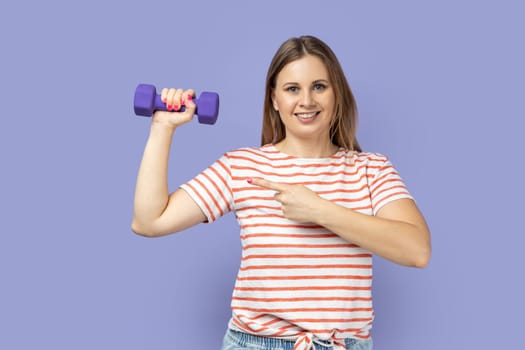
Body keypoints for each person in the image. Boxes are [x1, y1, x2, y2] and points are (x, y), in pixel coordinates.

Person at [131, 35, 431, 350]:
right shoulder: (242, 167)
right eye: (292, 89)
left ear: (337, 94)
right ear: (274, 99)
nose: (307, 101)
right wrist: (162, 128)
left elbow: (417, 250)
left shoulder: (371, 169)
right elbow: (149, 221)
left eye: (319, 86)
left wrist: (319, 210)